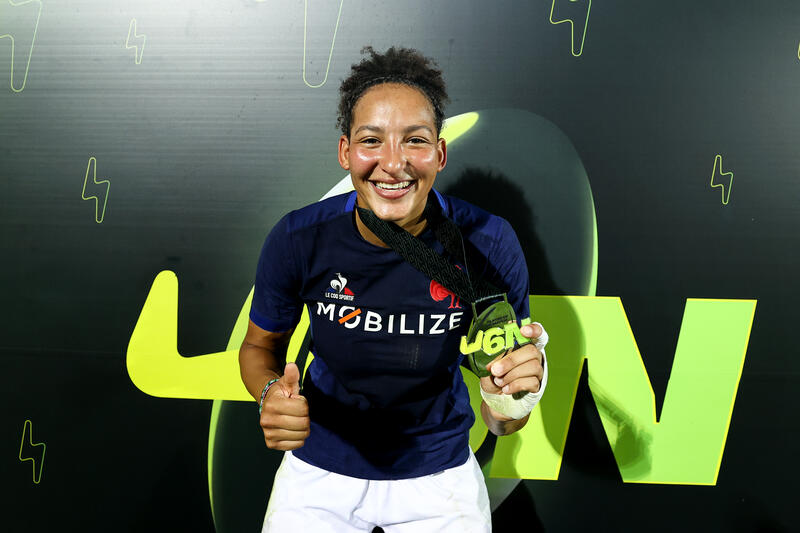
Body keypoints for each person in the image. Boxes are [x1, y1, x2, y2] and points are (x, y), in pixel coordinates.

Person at [238, 46, 548, 533]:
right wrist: (270, 394)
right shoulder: (299, 237)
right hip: (319, 467)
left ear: (440, 154)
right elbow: (260, 346)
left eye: (416, 141)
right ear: (345, 152)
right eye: (371, 140)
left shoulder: (487, 242)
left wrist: (513, 401)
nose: (393, 163)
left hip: (440, 473)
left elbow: (503, 420)